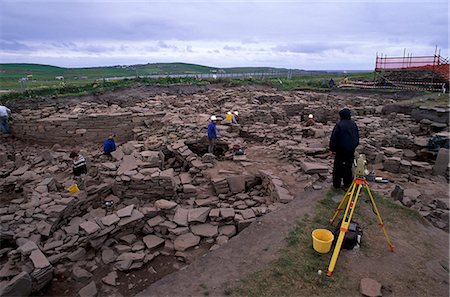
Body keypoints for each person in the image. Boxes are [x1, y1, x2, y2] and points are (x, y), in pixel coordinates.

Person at [329, 108, 359, 190]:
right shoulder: (353, 124)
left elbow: (334, 138)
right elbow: (357, 137)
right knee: (348, 166)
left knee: (338, 167)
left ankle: (337, 184)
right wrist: (354, 146)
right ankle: (347, 184)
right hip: (350, 150)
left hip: (341, 150)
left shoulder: (339, 125)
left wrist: (332, 149)